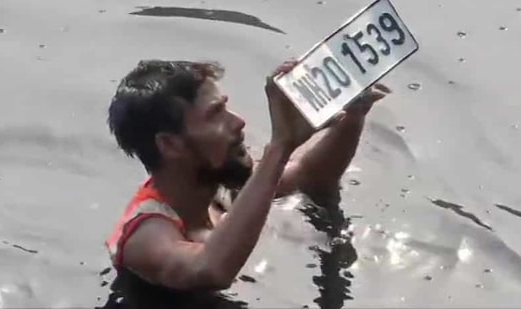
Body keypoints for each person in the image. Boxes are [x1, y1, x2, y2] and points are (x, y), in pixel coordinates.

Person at [103, 58, 390, 305]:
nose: (238, 121)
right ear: (170, 144)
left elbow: (310, 175)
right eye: (215, 114)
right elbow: (210, 269)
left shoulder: (214, 181)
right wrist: (280, 146)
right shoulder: (145, 234)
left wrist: (353, 116)